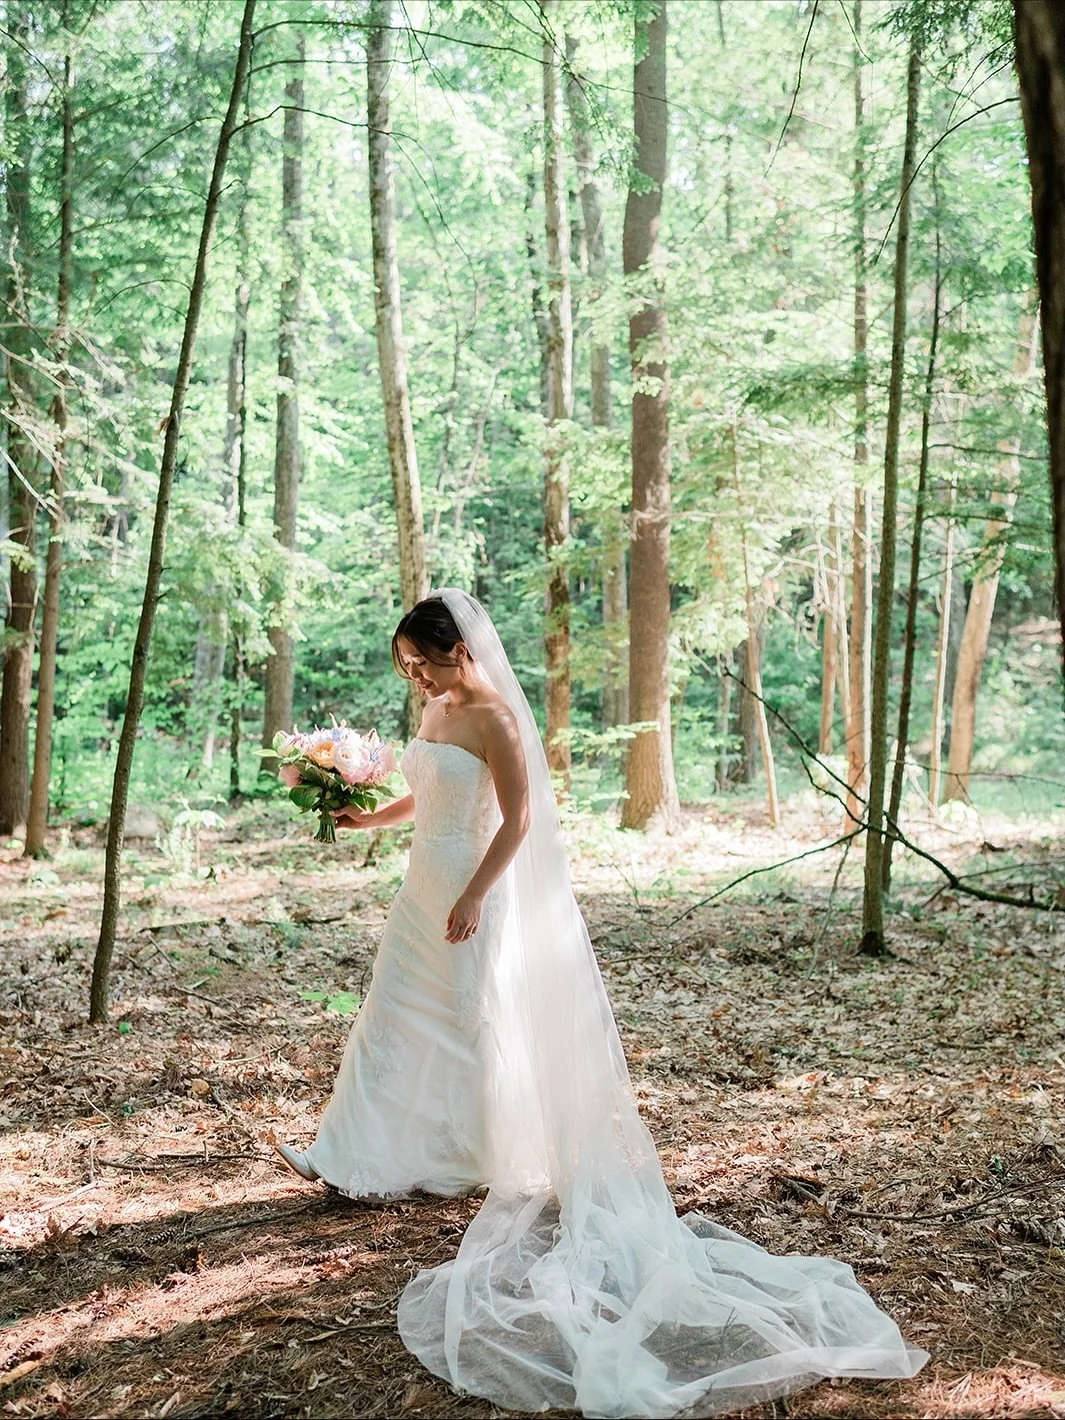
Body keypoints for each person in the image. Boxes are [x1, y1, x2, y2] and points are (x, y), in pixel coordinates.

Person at [275, 589, 928, 1419]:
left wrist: (476, 894)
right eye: (406, 665)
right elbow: (423, 798)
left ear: (459, 650)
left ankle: (472, 1147)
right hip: (420, 888)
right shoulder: (437, 713)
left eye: (423, 661)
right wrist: (362, 818)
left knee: (468, 1026)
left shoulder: (497, 720)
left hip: (473, 887)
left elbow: (515, 823)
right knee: (391, 1017)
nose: (415, 676)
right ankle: (350, 1154)